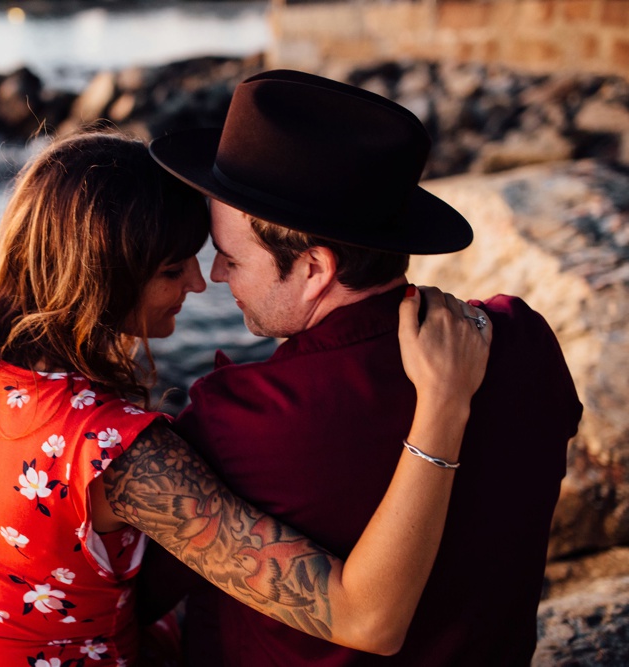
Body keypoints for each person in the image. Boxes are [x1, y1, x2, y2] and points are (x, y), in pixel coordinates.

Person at [0, 130, 490, 667]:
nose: (200, 283)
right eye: (174, 270)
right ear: (103, 274)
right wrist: (442, 403)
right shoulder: (112, 457)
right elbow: (366, 620)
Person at [145, 69, 583, 665]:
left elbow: (126, 588)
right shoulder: (523, 340)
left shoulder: (245, 418)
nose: (216, 278)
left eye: (228, 258)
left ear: (314, 269)